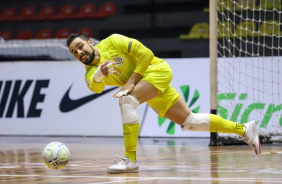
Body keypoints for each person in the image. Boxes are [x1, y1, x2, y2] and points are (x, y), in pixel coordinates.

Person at [66, 33, 261, 174]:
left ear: (90, 42)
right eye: (75, 52)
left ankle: (131, 159)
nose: (79, 52)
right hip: (148, 88)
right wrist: (100, 73)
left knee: (127, 100)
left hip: (157, 71)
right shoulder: (90, 72)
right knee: (190, 121)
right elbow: (95, 87)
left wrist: (131, 82)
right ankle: (244, 129)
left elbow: (146, 54)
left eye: (81, 46)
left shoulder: (113, 41)